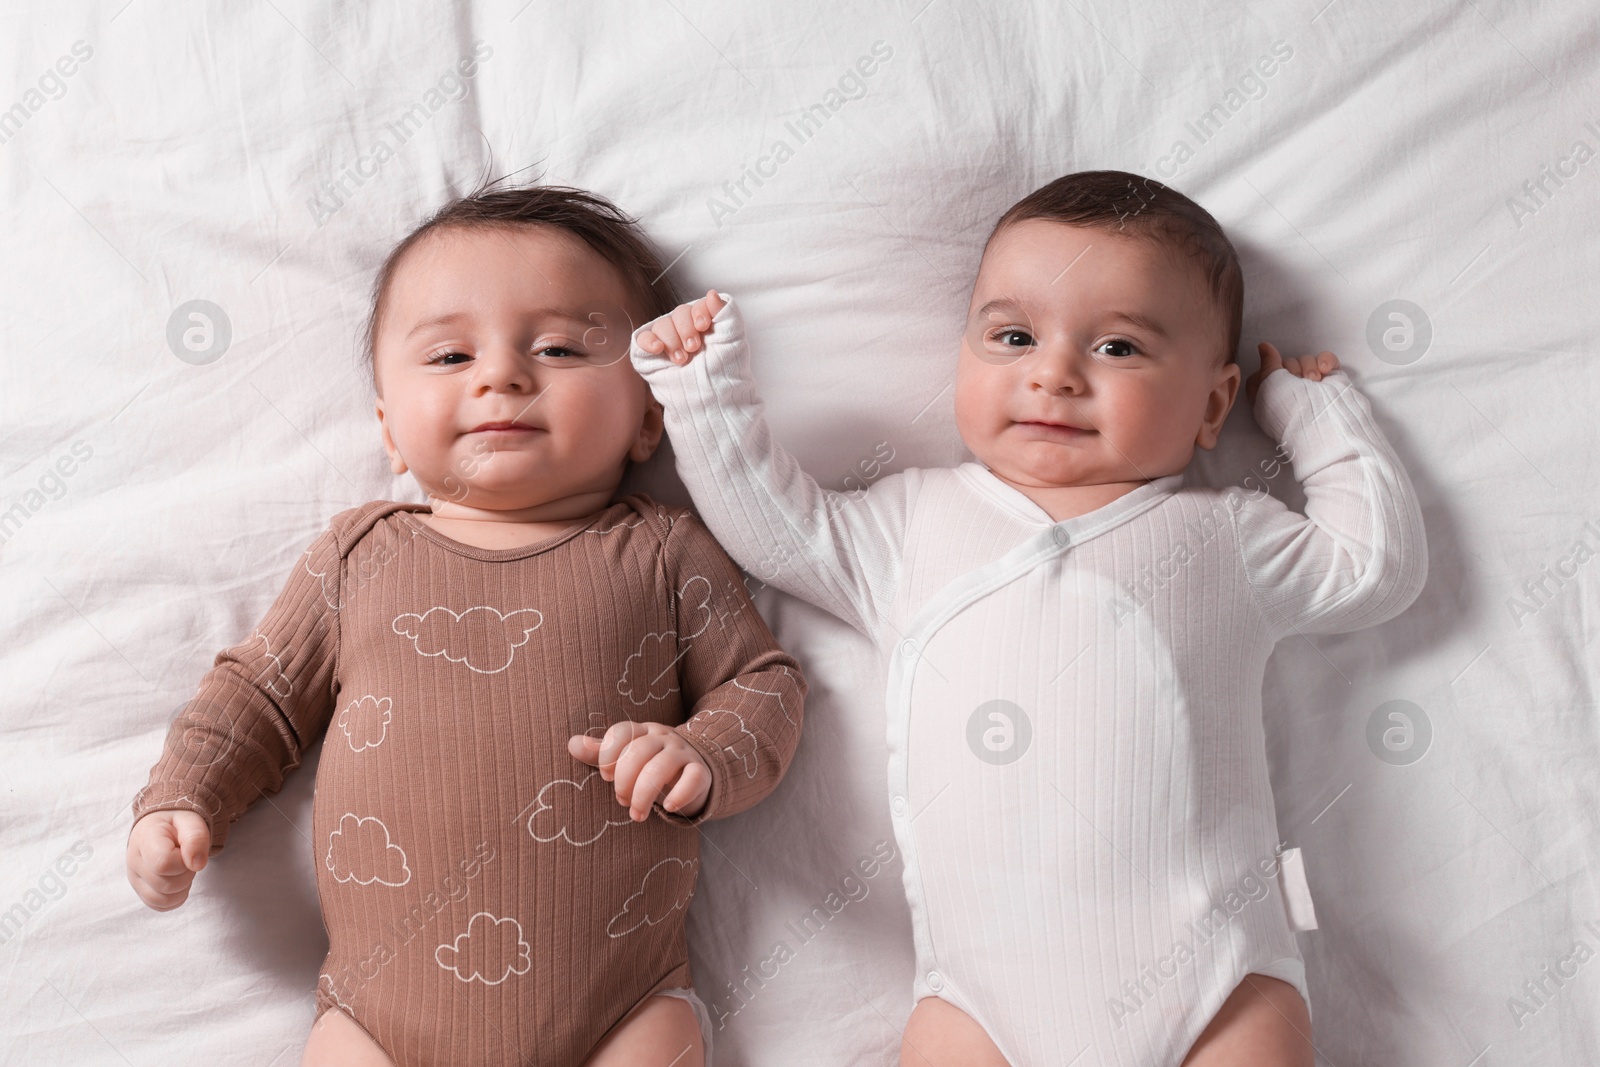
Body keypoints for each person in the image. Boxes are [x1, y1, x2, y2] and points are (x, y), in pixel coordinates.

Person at [629, 170, 1427, 1065]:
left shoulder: (1230, 537)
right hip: (981, 1003)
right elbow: (777, 533)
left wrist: (1319, 417)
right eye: (1013, 336)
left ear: (1212, 404)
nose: (1054, 373)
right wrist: (703, 394)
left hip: (1220, 978)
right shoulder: (910, 522)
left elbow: (1375, 569)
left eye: (1119, 348)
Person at [125, 184, 807, 1067]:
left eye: (560, 346)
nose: (502, 376)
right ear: (389, 431)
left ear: (647, 416)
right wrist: (182, 796)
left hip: (621, 1008)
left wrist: (705, 754)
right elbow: (257, 693)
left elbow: (766, 685)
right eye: (449, 355)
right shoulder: (359, 557)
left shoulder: (664, 552)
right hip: (378, 1021)